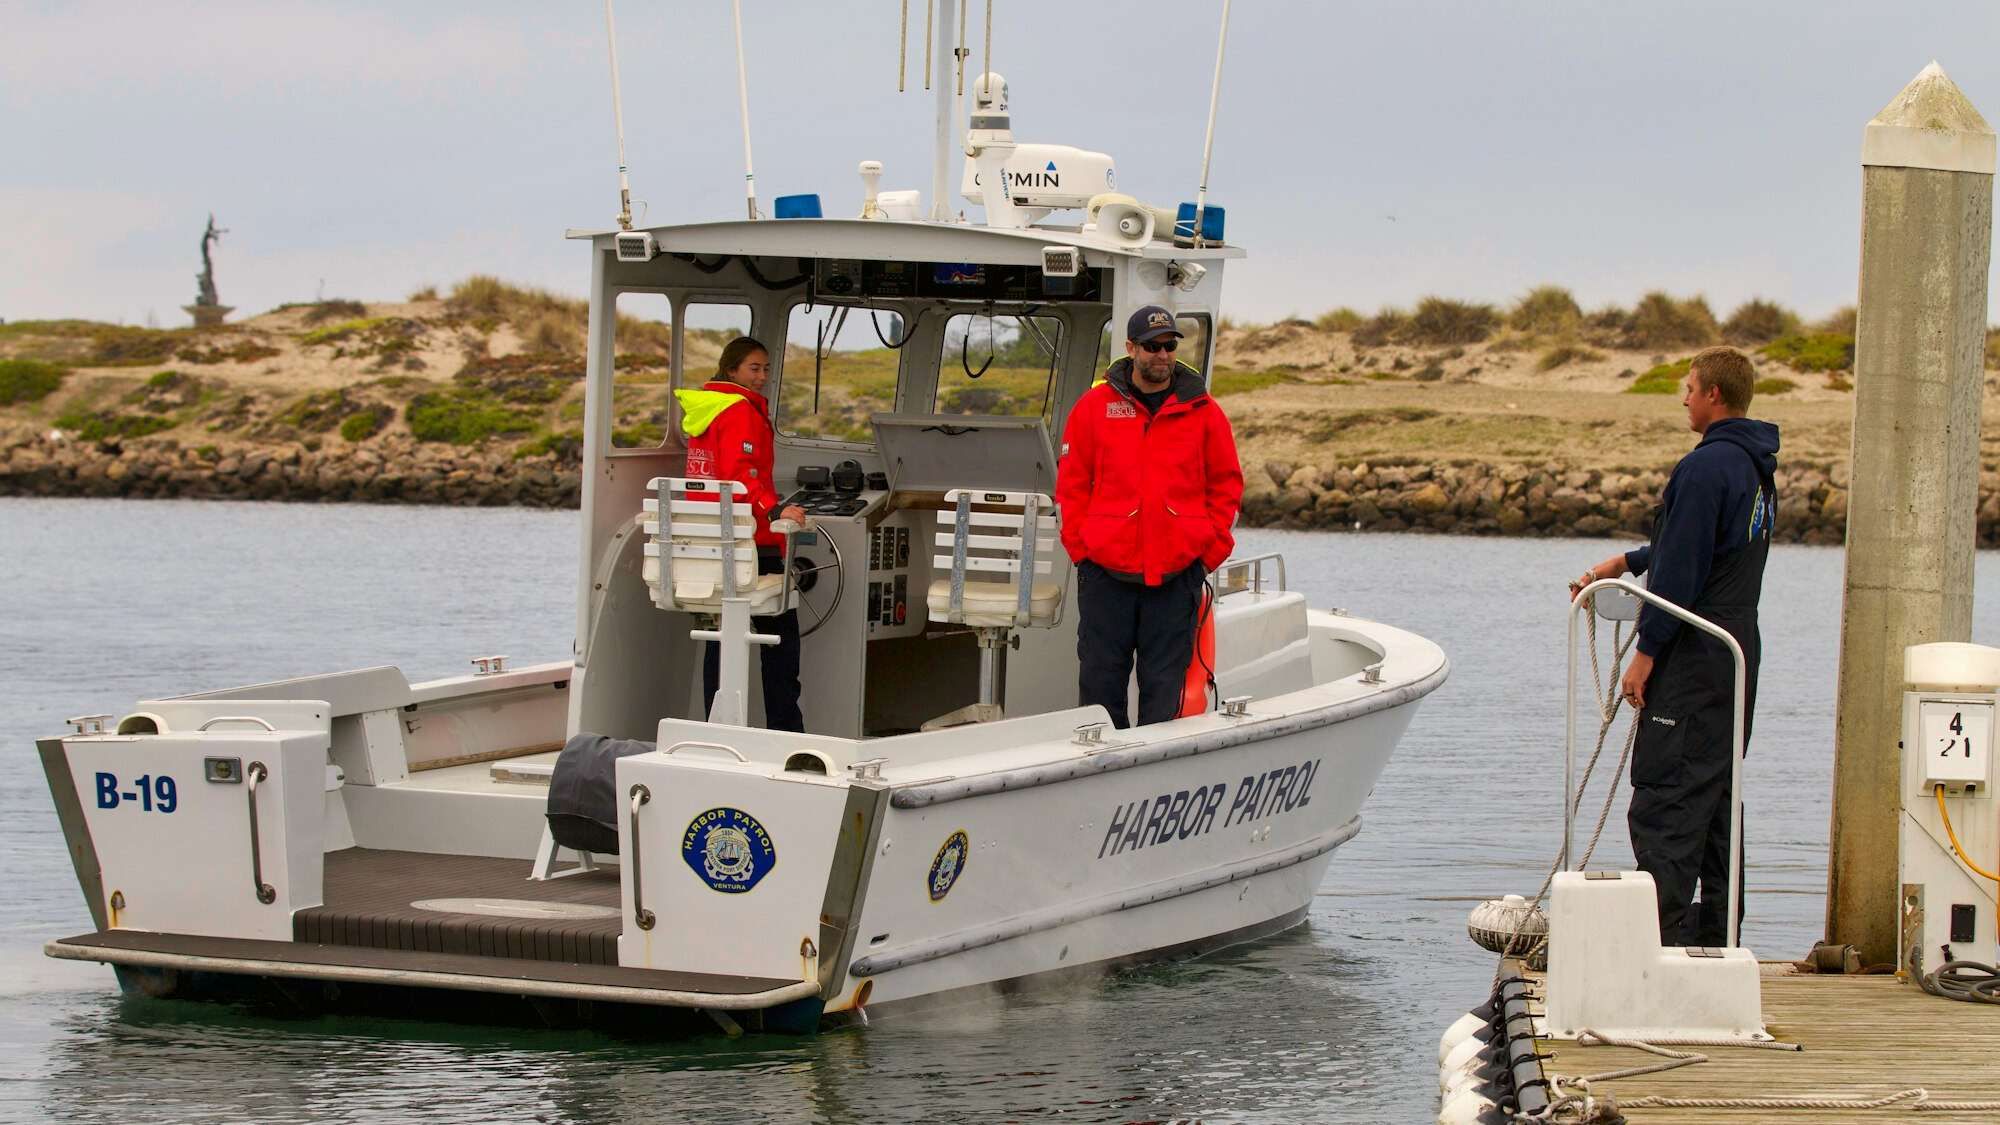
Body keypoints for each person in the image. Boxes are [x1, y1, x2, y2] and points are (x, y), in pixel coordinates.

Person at [1570, 346, 1779, 947]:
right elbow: (1709, 548)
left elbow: (1684, 573)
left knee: (1669, 794)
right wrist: (1632, 561)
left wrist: (1645, 655)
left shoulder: (1706, 467)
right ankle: (1717, 938)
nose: (1683, 398)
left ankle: (1656, 947)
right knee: (1717, 795)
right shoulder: (1755, 467)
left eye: (1689, 387)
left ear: (1714, 394)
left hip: (1693, 651)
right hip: (1737, 652)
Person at [1056, 305, 1244, 729]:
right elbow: (1070, 487)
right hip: (1106, 577)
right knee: (1100, 691)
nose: (1161, 355)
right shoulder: (1093, 408)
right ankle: (1099, 772)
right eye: (1151, 346)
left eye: (1169, 346)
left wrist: (1206, 556)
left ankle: (1154, 782)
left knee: (1165, 693)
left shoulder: (1205, 412)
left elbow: (1227, 486)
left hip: (1176, 578)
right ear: (1131, 348)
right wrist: (1083, 553)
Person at [675, 336, 810, 732]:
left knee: (720, 632)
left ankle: (717, 728)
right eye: (754, 368)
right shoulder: (741, 412)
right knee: (782, 632)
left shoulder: (707, 409)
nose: (762, 377)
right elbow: (742, 476)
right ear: (731, 369)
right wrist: (776, 510)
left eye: (766, 368)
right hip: (748, 543)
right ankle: (786, 731)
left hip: (709, 549)